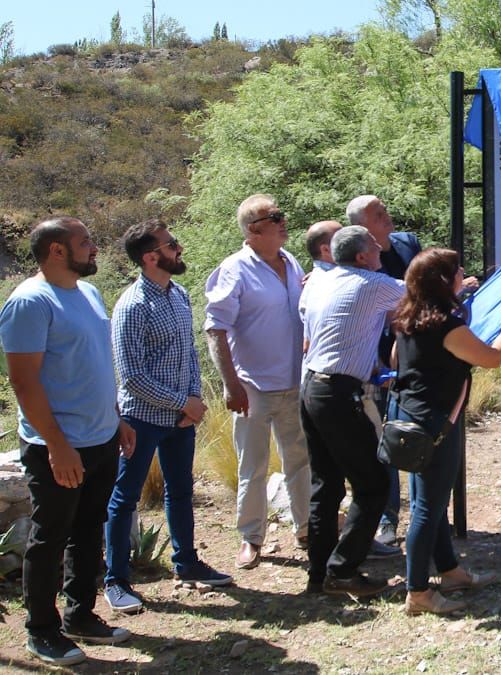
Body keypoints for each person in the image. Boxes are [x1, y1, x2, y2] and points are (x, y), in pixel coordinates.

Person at [0, 217, 136, 666]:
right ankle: (42, 630)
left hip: (100, 438)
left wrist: (116, 421)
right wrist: (57, 445)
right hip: (57, 446)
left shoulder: (89, 293)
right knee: (50, 537)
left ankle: (81, 616)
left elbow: (95, 365)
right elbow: (24, 383)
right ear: (57, 250)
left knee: (86, 531)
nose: (94, 248)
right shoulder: (29, 302)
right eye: (85, 242)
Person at [105, 220, 233, 616]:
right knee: (125, 497)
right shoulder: (131, 306)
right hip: (141, 418)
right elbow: (132, 376)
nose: (179, 248)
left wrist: (192, 399)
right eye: (171, 244)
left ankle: (188, 563)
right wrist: (183, 402)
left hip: (179, 418)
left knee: (179, 491)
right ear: (150, 257)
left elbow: (189, 354)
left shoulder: (178, 294)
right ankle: (116, 580)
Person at [391, 248, 501, 615]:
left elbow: (395, 363)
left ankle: (450, 572)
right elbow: (491, 359)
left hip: (409, 418)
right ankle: (417, 592)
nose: (462, 273)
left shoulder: (407, 318)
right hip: (435, 425)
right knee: (426, 510)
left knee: (426, 502)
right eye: (456, 271)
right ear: (443, 282)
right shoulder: (446, 326)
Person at [298, 226, 407, 596]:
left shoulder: (321, 281)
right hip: (337, 393)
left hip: (313, 387)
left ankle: (319, 574)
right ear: (362, 256)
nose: (381, 248)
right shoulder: (373, 283)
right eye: (374, 245)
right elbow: (423, 295)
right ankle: (342, 570)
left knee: (326, 485)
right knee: (373, 484)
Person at [205, 194, 312, 570]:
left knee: (300, 460)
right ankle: (251, 538)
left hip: (295, 382)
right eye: (275, 217)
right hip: (252, 387)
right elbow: (216, 329)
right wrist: (230, 384)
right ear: (254, 229)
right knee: (253, 465)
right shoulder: (234, 269)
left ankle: (306, 529)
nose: (284, 221)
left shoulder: (292, 261)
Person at [348, 195, 421, 548]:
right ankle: (387, 519)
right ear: (363, 229)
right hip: (375, 363)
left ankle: (427, 512)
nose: (386, 216)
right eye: (378, 215)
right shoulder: (355, 261)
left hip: (417, 357)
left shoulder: (408, 243)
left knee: (422, 431)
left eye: (384, 210)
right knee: (385, 438)